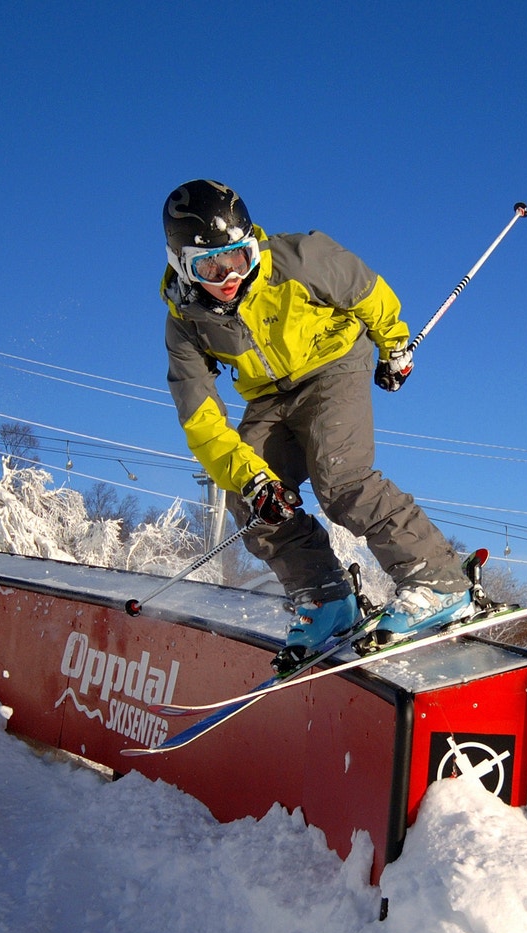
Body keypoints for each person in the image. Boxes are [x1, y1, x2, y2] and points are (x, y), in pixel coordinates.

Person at [159, 179, 474, 670]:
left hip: (334, 364)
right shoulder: (185, 321)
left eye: (239, 259)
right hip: (269, 397)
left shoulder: (298, 258)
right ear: (182, 264)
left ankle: (438, 578)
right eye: (210, 266)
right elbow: (200, 417)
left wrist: (394, 345)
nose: (228, 277)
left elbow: (367, 289)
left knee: (340, 478)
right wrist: (254, 477)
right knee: (251, 498)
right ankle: (326, 596)